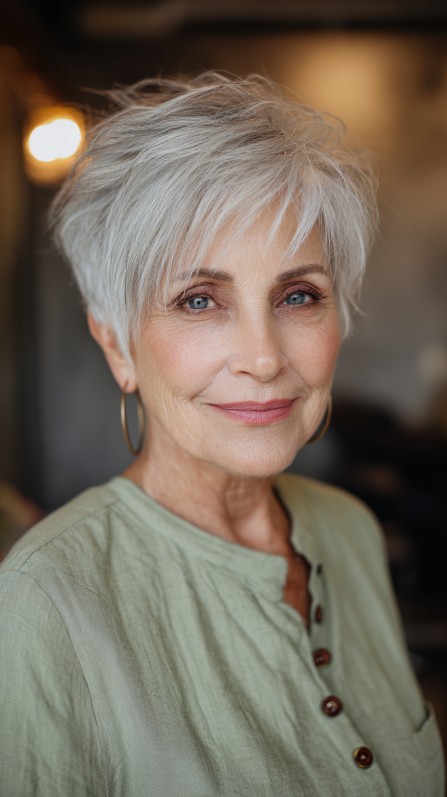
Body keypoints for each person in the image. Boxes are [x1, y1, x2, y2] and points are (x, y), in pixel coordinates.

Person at [0, 73, 444, 797]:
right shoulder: (46, 599)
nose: (264, 357)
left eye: (297, 295)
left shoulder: (351, 532)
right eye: (199, 300)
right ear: (116, 344)